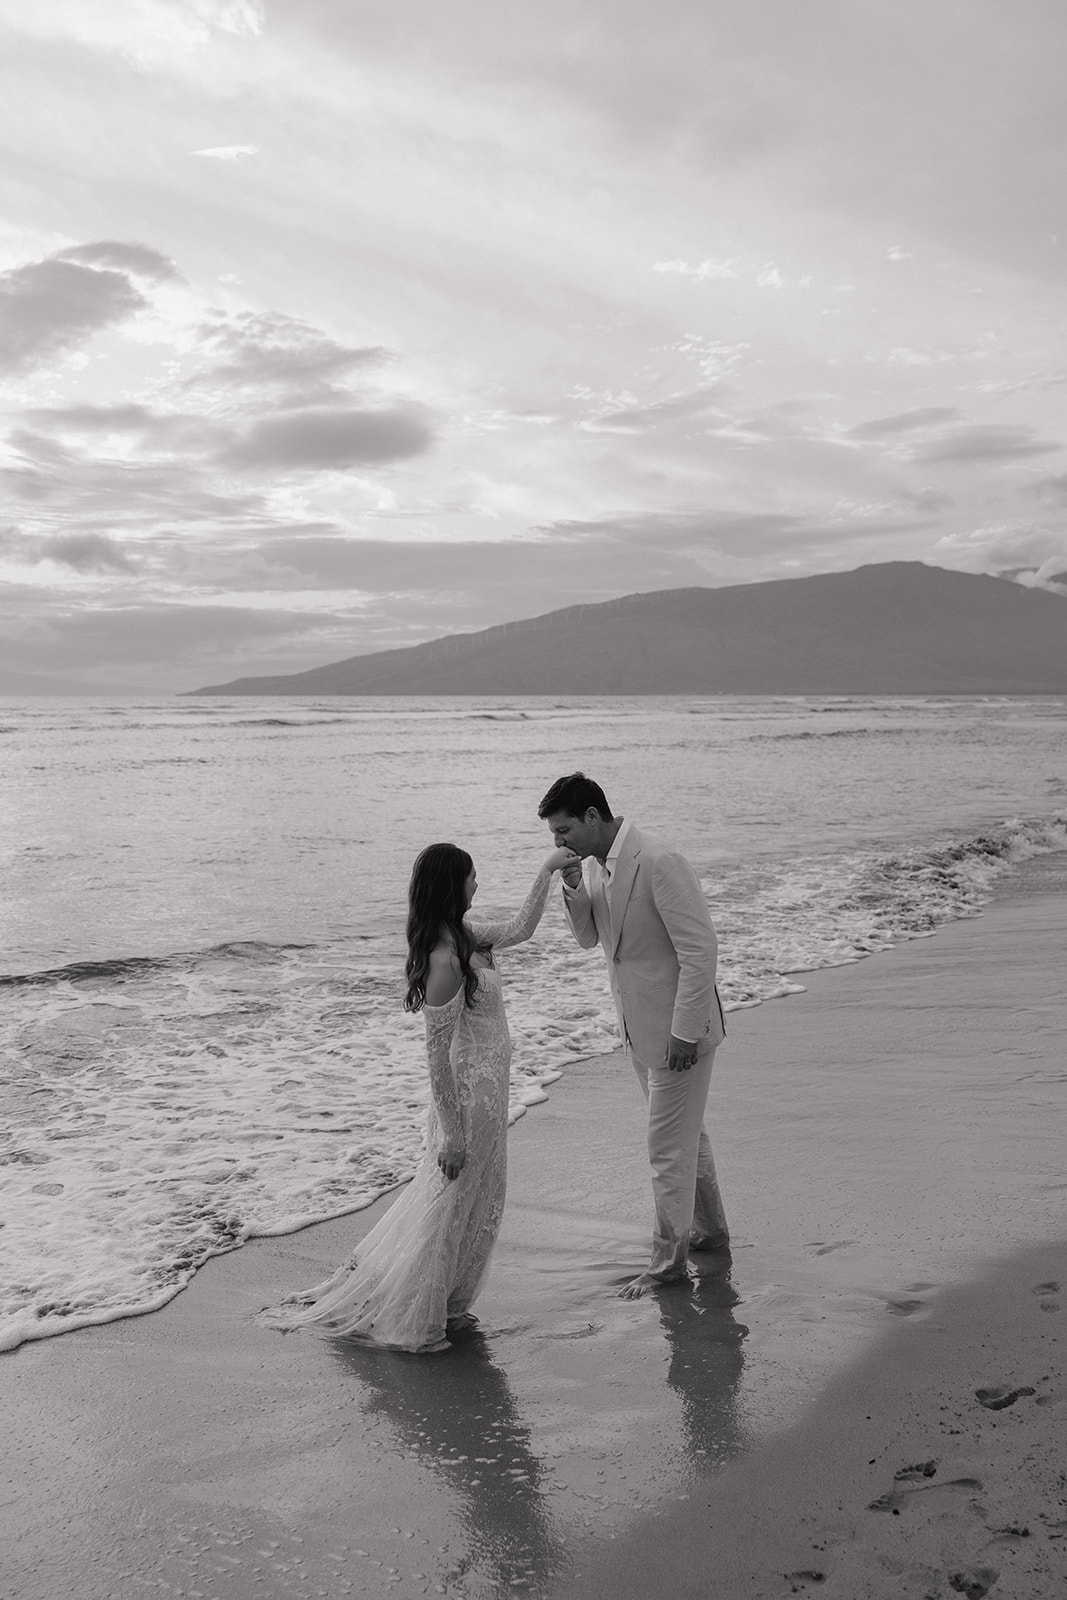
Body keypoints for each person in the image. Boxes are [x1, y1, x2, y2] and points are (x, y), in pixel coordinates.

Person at [266, 840, 576, 1353]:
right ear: (451, 885)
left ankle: (449, 1304)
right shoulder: (444, 959)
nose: (478, 883)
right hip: (467, 1106)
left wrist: (547, 872)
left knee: (480, 1202)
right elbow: (436, 1058)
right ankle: (415, 1315)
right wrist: (452, 1133)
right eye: (472, 877)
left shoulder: (468, 936)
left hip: (490, 1098)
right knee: (448, 1209)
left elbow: (521, 929)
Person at [538, 773, 729, 1300]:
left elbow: (700, 952)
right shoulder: (596, 868)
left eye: (563, 830)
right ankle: (709, 1232)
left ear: (594, 817)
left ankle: (668, 1263)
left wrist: (685, 1033)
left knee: (665, 1148)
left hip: (678, 1034)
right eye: (554, 835)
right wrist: (572, 886)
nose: (558, 843)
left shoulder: (659, 860)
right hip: (637, 1029)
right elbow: (587, 940)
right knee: (687, 1139)